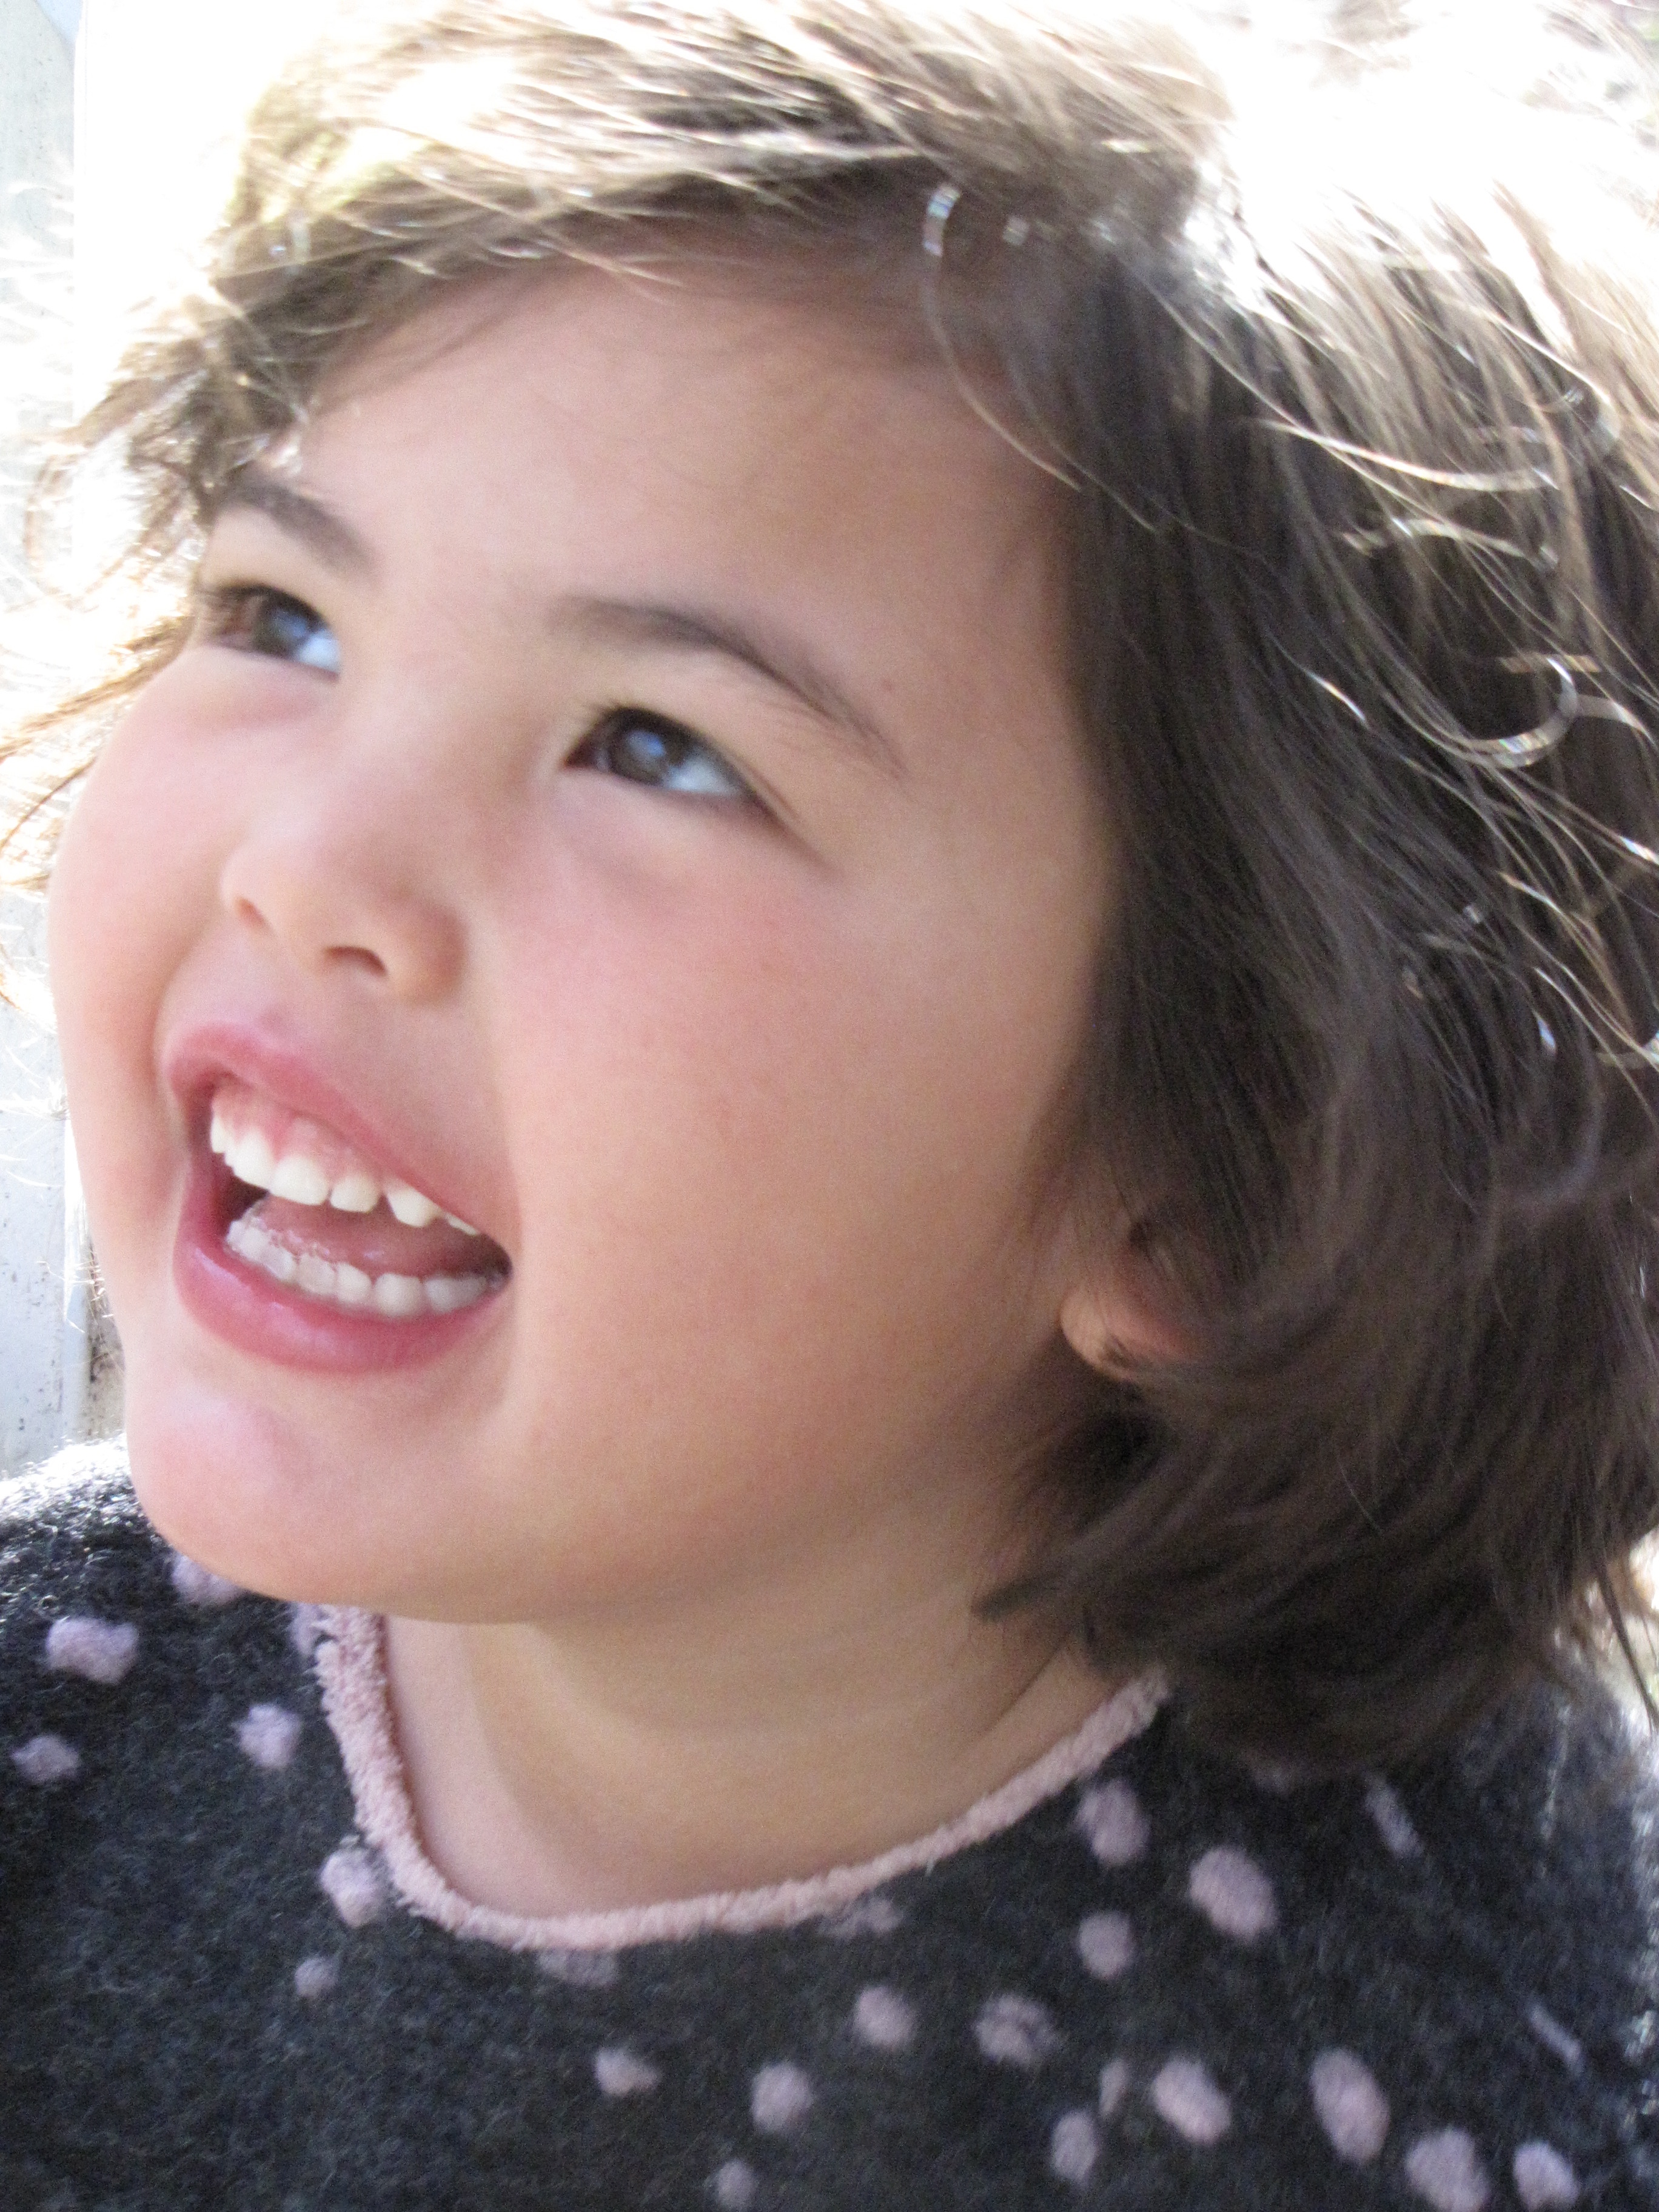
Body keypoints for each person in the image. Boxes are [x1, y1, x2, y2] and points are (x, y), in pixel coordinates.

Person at [1, 0, 1657, 2202]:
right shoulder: (55, 1709)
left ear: (1230, 1175)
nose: (305, 866)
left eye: (659, 748)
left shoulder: (1476, 2075)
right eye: (281, 613)